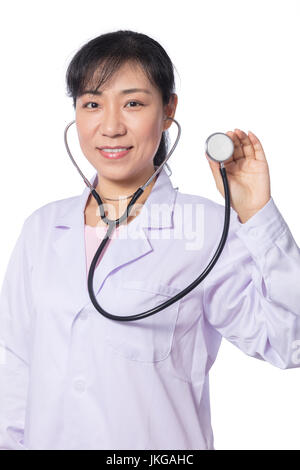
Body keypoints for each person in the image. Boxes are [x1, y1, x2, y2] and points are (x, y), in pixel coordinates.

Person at [0, 30, 300, 451]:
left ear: (168, 110)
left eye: (133, 103)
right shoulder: (42, 228)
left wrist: (258, 215)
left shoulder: (207, 229)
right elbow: (15, 368)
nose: (110, 126)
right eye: (91, 104)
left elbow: (289, 342)